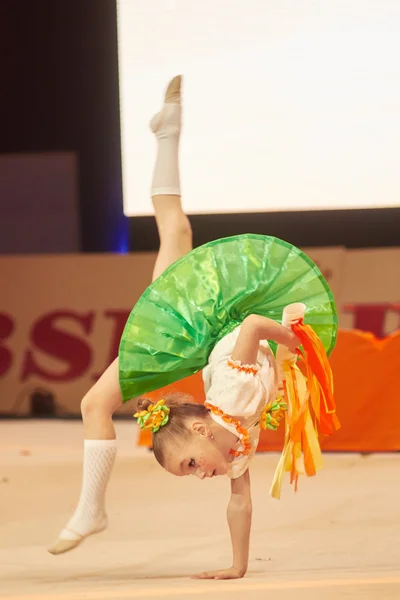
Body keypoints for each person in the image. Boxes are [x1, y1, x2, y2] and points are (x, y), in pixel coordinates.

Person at [48, 76, 339, 580]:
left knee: (94, 403)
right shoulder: (237, 442)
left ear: (200, 430)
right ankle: (167, 132)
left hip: (188, 331)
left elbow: (251, 327)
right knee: (176, 229)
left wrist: (288, 338)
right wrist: (237, 567)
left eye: (188, 465)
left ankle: (92, 510)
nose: (199, 474)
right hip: (206, 321)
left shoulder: (231, 393)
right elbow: (240, 504)